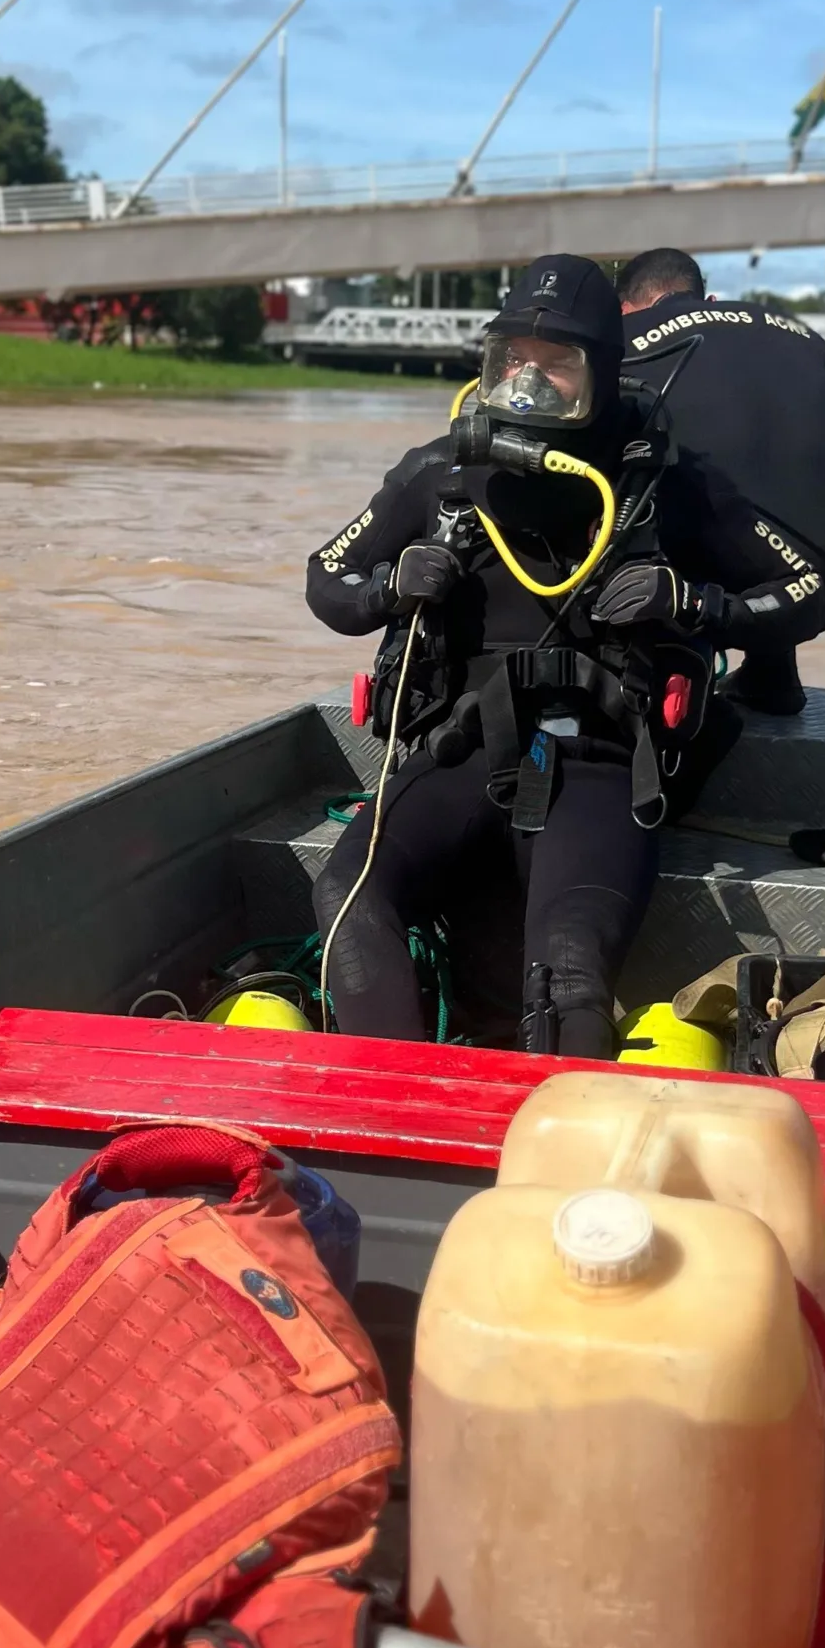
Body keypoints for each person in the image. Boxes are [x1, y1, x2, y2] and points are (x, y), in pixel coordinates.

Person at [305, 254, 743, 1057]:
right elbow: (325, 578)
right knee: (345, 894)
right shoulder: (439, 471)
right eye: (512, 361)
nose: (529, 384)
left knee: (568, 975)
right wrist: (386, 590)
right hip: (452, 750)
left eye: (557, 366)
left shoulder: (665, 483)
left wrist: (689, 601)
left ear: (603, 374)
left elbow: (803, 587)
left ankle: (555, 1158)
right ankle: (399, 1118)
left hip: (601, 765)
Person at [614, 247, 825, 714]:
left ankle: (653, 675)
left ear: (626, 307)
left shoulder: (621, 340)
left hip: (691, 592)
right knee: (761, 490)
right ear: (705, 298)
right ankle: (772, 674)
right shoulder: (799, 334)